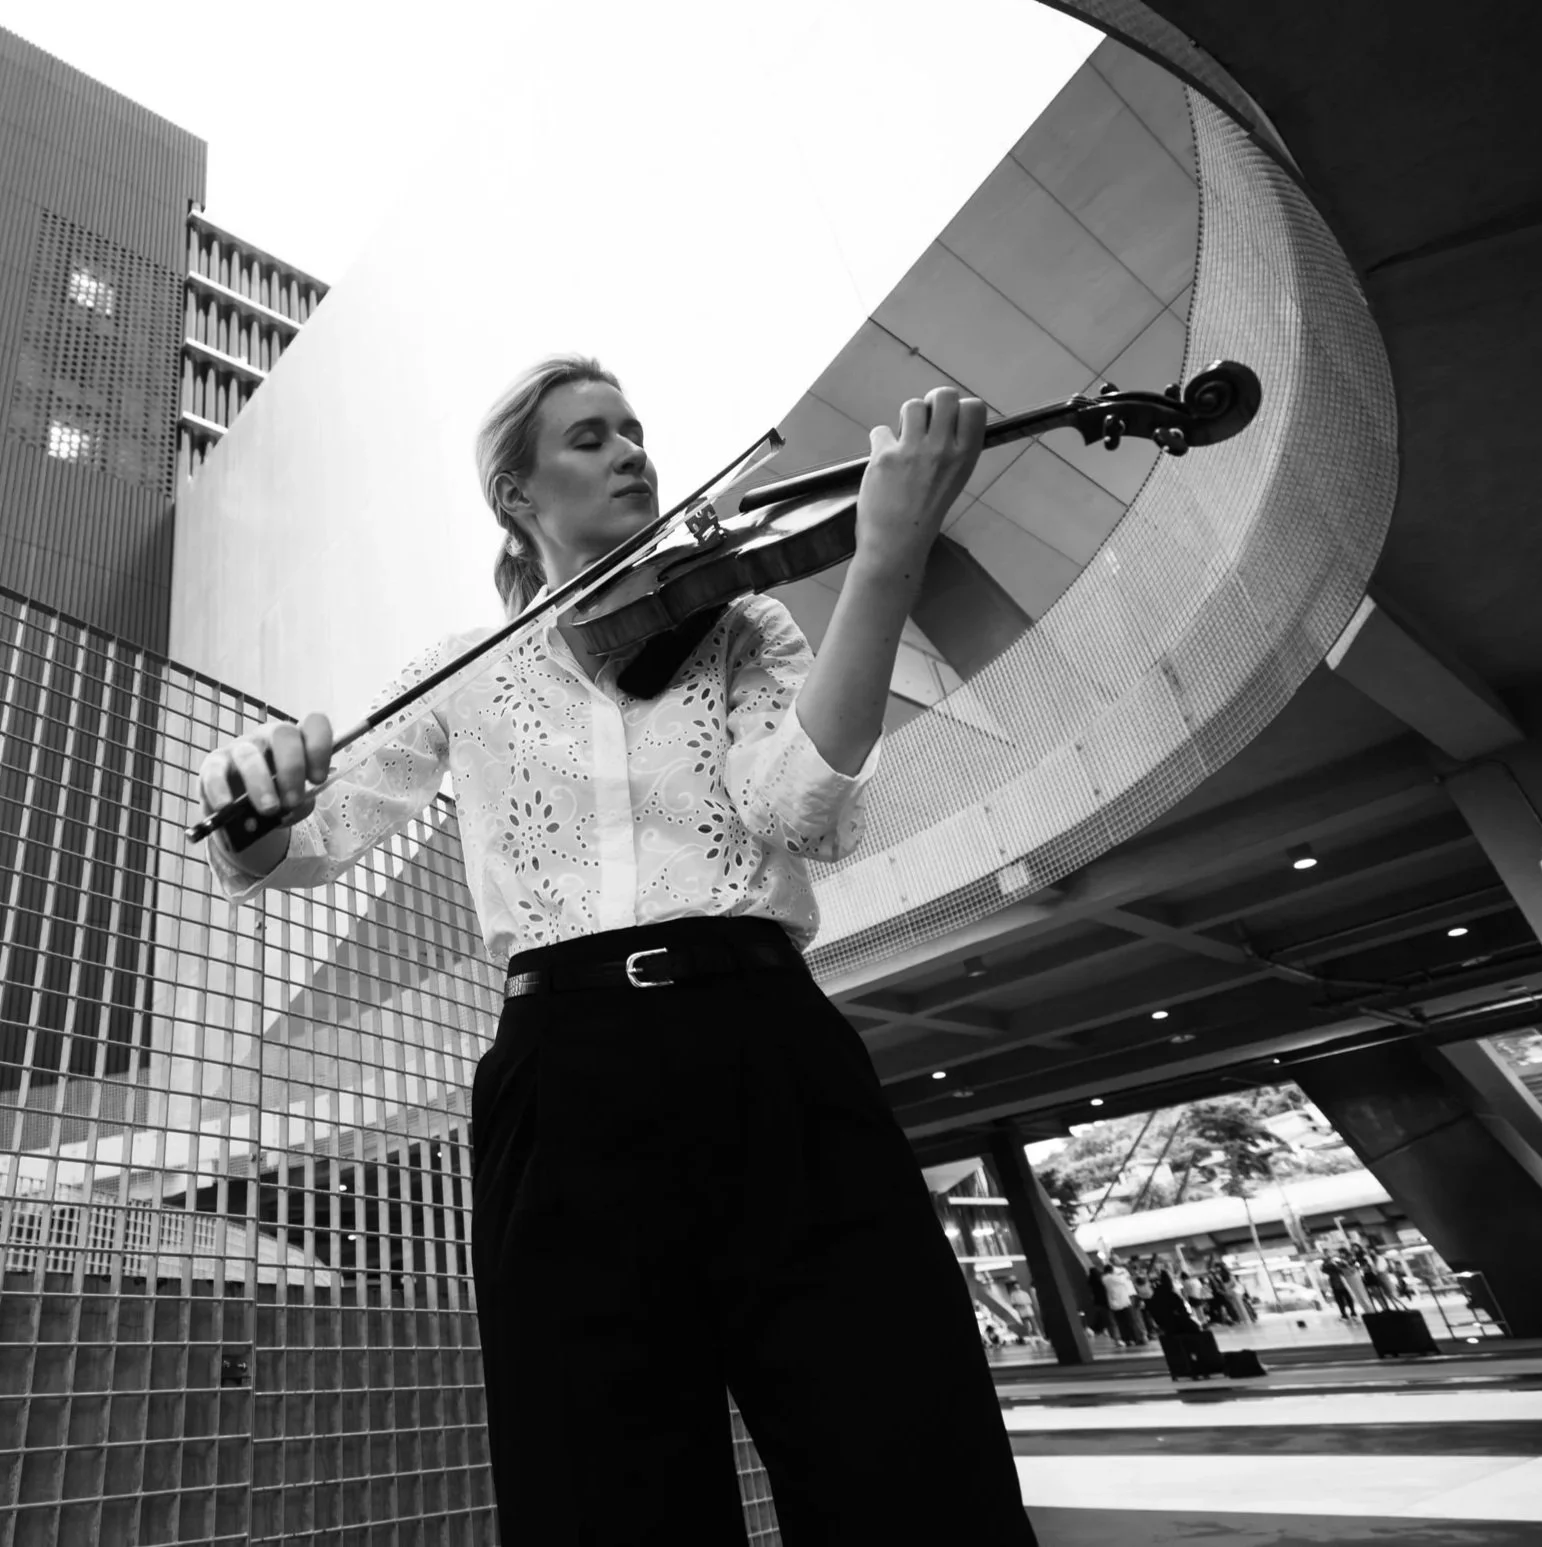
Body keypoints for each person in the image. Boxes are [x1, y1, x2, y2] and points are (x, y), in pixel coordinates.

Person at [197, 356, 1027, 1545]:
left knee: (900, 1439)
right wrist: (254, 795)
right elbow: (306, 842)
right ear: (518, 497)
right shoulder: (467, 670)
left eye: (635, 430)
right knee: (603, 1482)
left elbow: (808, 813)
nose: (632, 451)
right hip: (565, 1068)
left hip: (767, 1044)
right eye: (590, 438)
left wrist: (886, 560)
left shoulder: (742, 621)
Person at [1103, 1261, 1146, 1345]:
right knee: (1131, 1320)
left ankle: (1127, 1339)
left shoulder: (1104, 1279)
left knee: (1121, 1322)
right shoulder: (1115, 1278)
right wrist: (1125, 1274)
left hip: (1114, 1303)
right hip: (1124, 1301)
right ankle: (1138, 1338)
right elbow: (1125, 1280)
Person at [1006, 1278, 1043, 1343]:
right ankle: (1031, 1338)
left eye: (1018, 1285)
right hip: (1021, 1312)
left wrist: (1025, 1304)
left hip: (1029, 1311)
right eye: (1015, 1286)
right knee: (1027, 1326)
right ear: (1014, 1287)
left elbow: (1029, 1301)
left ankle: (1040, 1337)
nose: (1017, 1287)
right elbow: (1013, 1304)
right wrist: (1019, 1305)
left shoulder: (1024, 1293)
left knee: (1034, 1324)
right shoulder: (1013, 1295)